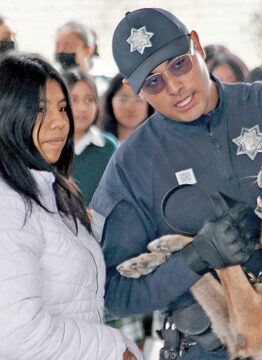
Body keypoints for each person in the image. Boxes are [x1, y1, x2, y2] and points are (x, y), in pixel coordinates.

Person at [90, 8, 262, 360]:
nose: (174, 87)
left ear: (197, 46)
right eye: (153, 82)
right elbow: (114, 294)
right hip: (210, 347)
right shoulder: (132, 166)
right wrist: (194, 258)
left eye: (178, 64)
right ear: (133, 89)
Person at [0, 53, 142, 359]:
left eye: (61, 108)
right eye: (39, 110)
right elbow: (15, 335)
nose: (59, 121)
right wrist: (113, 349)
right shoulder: (8, 203)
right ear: (7, 114)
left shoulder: (51, 189)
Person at [62, 68, 118, 205]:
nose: (82, 108)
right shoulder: (46, 144)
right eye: (73, 99)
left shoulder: (108, 146)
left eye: (89, 100)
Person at [55, 21, 113, 95]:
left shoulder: (105, 82)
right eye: (58, 46)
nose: (61, 51)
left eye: (68, 46)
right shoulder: (52, 77)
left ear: (88, 50)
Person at [103, 73, 153, 143]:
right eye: (123, 99)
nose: (131, 108)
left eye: (139, 99)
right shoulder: (99, 142)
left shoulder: (160, 144)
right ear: (110, 100)